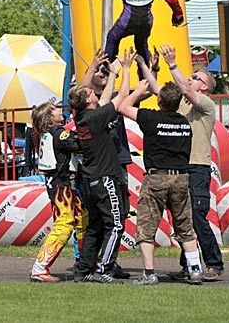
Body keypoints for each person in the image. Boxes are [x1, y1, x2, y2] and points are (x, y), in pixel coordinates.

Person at [140, 43, 224, 282]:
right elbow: (158, 90)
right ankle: (189, 265)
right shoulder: (183, 104)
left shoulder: (206, 105)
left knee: (197, 217)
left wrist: (173, 63)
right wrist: (145, 65)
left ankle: (214, 263)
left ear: (204, 86)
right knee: (183, 219)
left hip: (198, 167)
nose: (190, 78)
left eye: (196, 77)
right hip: (182, 169)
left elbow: (185, 89)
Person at [118, 80, 204, 285]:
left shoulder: (151, 118)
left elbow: (122, 107)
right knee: (185, 226)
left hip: (157, 177)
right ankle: (195, 270)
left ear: (159, 101)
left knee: (146, 226)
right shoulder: (184, 123)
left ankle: (149, 273)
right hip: (181, 177)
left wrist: (139, 91)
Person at [71, 51, 133, 284]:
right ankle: (104, 269)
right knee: (115, 225)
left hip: (93, 179)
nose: (92, 90)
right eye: (89, 92)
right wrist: (125, 69)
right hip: (106, 178)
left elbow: (102, 97)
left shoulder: (83, 117)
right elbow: (121, 96)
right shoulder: (95, 117)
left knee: (95, 226)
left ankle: (83, 269)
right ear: (88, 100)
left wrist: (106, 71)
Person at [29, 101, 84, 283]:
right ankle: (40, 268)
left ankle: (86, 264)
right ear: (49, 118)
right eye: (55, 109)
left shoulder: (46, 134)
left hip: (59, 184)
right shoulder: (59, 134)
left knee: (83, 220)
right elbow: (78, 143)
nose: (60, 110)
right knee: (64, 225)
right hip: (62, 184)